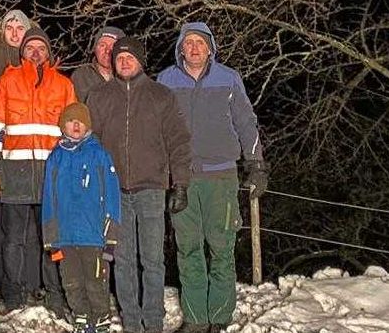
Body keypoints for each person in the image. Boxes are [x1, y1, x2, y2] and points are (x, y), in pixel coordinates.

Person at [156, 23, 266, 333]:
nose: (194, 48)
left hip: (221, 177)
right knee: (188, 248)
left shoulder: (228, 78)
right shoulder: (165, 80)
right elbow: (156, 129)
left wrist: (256, 163)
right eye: (188, 42)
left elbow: (246, 122)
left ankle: (218, 315)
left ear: (210, 49)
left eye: (200, 43)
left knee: (221, 248)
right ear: (180, 48)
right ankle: (195, 318)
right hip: (182, 179)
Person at [88, 36, 192, 333]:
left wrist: (180, 183)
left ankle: (154, 321)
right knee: (122, 260)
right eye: (119, 57)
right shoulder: (99, 96)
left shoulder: (161, 96)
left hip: (151, 189)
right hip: (114, 191)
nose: (124, 61)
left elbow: (178, 141)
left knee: (153, 259)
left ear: (141, 62)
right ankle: (131, 321)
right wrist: (92, 185)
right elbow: (90, 143)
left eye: (130, 57)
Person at [0, 27, 73, 315]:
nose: (36, 53)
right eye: (30, 48)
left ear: (48, 53)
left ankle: (55, 294)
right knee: (13, 240)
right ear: (22, 52)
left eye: (41, 48)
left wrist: (69, 174)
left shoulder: (63, 85)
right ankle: (14, 294)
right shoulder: (7, 82)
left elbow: (74, 134)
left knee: (53, 240)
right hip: (15, 174)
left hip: (52, 175)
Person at [42, 102, 121, 333]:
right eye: (70, 121)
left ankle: (101, 317)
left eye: (81, 121)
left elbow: (112, 195)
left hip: (94, 235)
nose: (76, 125)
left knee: (96, 280)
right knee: (71, 281)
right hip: (65, 236)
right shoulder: (55, 158)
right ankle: (81, 316)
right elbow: (49, 198)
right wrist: (50, 235)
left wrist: (111, 231)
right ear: (62, 126)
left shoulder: (99, 155)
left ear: (88, 126)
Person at [0, 8, 33, 303]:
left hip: (28, 159)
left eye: (20, 28)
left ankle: (31, 284)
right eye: (9, 27)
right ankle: (5, 286)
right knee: (1, 226)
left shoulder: (37, 59)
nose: (14, 32)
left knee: (28, 229)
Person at [71, 27, 124, 104]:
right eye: (102, 45)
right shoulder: (81, 76)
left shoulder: (130, 77)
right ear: (95, 49)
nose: (107, 51)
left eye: (113, 46)